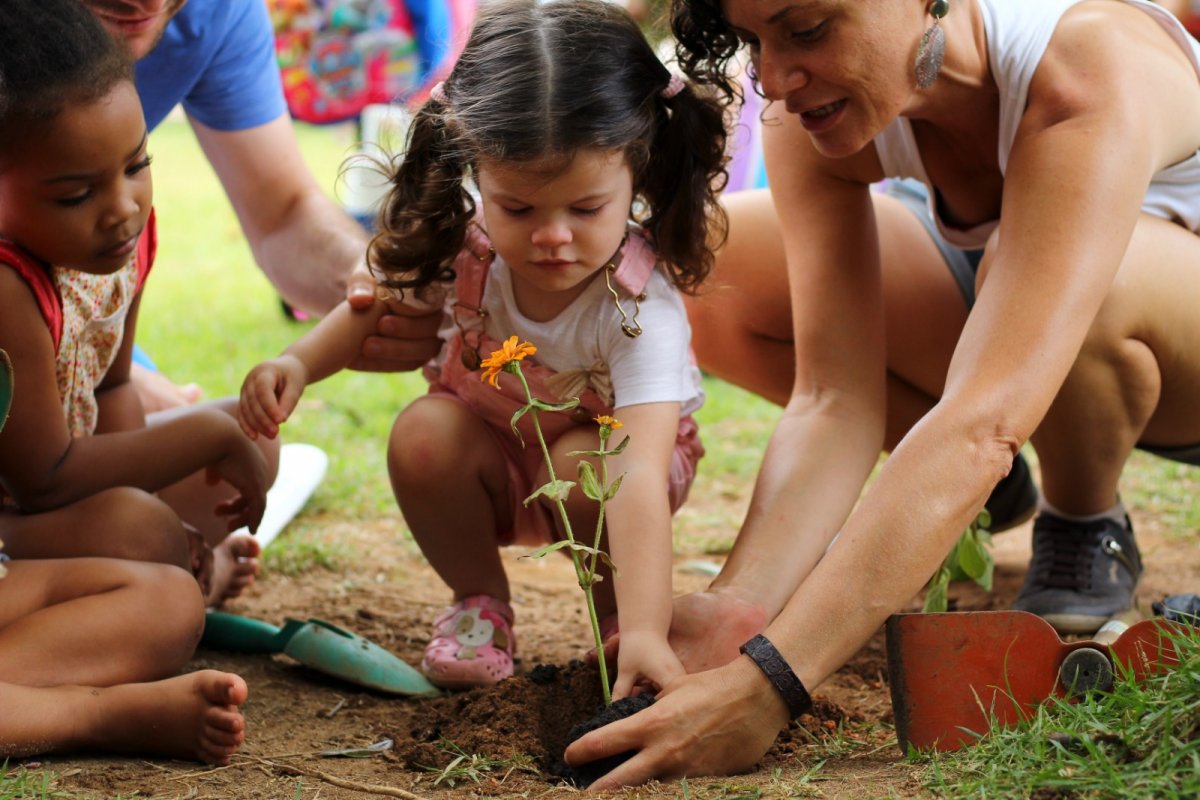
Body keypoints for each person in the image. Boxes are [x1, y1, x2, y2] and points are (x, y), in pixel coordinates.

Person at [562, 0, 1200, 786]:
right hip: (1009, 310)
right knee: (712, 272)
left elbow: (983, 421)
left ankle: (1083, 518)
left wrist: (769, 685)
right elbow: (834, 397)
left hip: (1171, 344)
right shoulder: (815, 100)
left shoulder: (1086, 73)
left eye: (807, 29)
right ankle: (957, 498)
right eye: (756, 40)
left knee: (1072, 287)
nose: (777, 79)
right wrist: (743, 606)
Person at [237, 0, 728, 695]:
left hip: (607, 481)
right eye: (519, 208)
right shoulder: (469, 253)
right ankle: (479, 605)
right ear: (477, 177)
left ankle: (624, 619)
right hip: (495, 461)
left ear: (637, 175)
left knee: (587, 459)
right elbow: (371, 305)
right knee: (423, 431)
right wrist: (298, 363)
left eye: (585, 209)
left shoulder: (638, 308)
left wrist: (650, 629)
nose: (550, 236)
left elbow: (637, 474)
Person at [0, 0, 272, 607]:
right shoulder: (7, 289)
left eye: (137, 165)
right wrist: (201, 446)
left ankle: (175, 567)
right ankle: (171, 574)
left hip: (69, 484)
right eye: (75, 195)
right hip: (19, 510)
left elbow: (113, 391)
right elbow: (44, 479)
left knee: (252, 430)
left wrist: (206, 452)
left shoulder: (124, 239)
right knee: (140, 529)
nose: (123, 207)